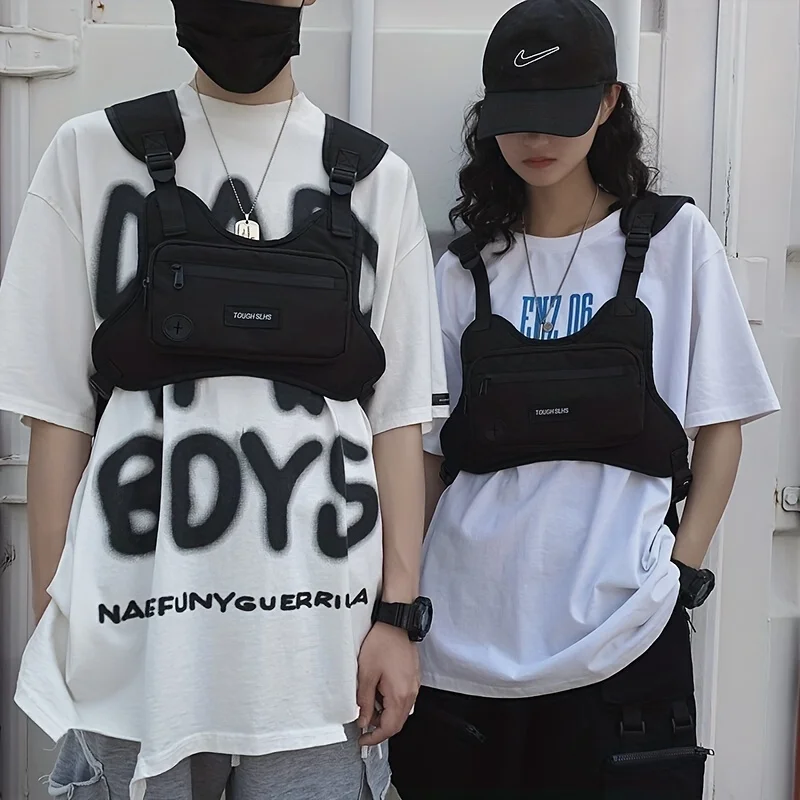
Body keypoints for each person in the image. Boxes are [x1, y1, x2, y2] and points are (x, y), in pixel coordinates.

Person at [0, 1, 447, 798]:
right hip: (131, 652)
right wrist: (54, 623)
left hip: (320, 658)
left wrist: (397, 619)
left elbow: (398, 423)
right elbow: (58, 418)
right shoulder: (89, 153)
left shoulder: (379, 178)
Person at [388, 0, 780, 797]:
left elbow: (721, 424)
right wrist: (401, 608)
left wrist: (682, 572)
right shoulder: (463, 269)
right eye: (518, 116)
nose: (538, 138)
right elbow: (424, 454)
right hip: (464, 643)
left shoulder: (674, 242)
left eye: (562, 112)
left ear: (608, 104)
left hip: (624, 639)